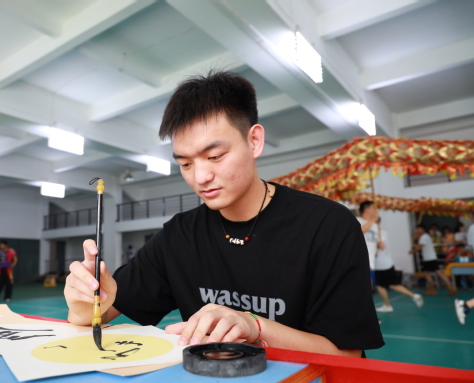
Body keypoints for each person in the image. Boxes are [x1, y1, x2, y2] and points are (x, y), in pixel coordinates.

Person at [64, 70, 383, 357]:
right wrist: (83, 304)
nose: (200, 177)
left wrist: (254, 326)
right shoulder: (179, 237)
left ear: (254, 141)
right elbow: (99, 314)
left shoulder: (327, 227)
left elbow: (347, 356)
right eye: (185, 163)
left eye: (215, 156)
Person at [374, 228, 424, 312]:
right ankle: (414, 296)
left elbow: (380, 247)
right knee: (392, 284)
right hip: (387, 263)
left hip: (381, 265)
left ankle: (387, 305)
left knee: (380, 285)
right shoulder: (383, 232)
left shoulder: (377, 234)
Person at [410, 225, 456, 296]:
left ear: (423, 229)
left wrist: (412, 251)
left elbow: (419, 248)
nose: (417, 231)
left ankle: (432, 289)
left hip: (428, 259)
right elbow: (420, 246)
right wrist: (416, 239)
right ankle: (451, 287)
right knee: (439, 273)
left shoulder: (423, 237)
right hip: (432, 258)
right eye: (417, 229)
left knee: (427, 274)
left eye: (419, 229)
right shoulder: (425, 236)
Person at [356, 201, 381, 273]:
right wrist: (373, 219)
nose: (376, 210)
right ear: (366, 209)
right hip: (359, 262)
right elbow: (359, 232)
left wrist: (379, 246)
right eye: (373, 208)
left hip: (371, 263)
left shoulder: (375, 225)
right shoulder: (357, 220)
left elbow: (375, 242)